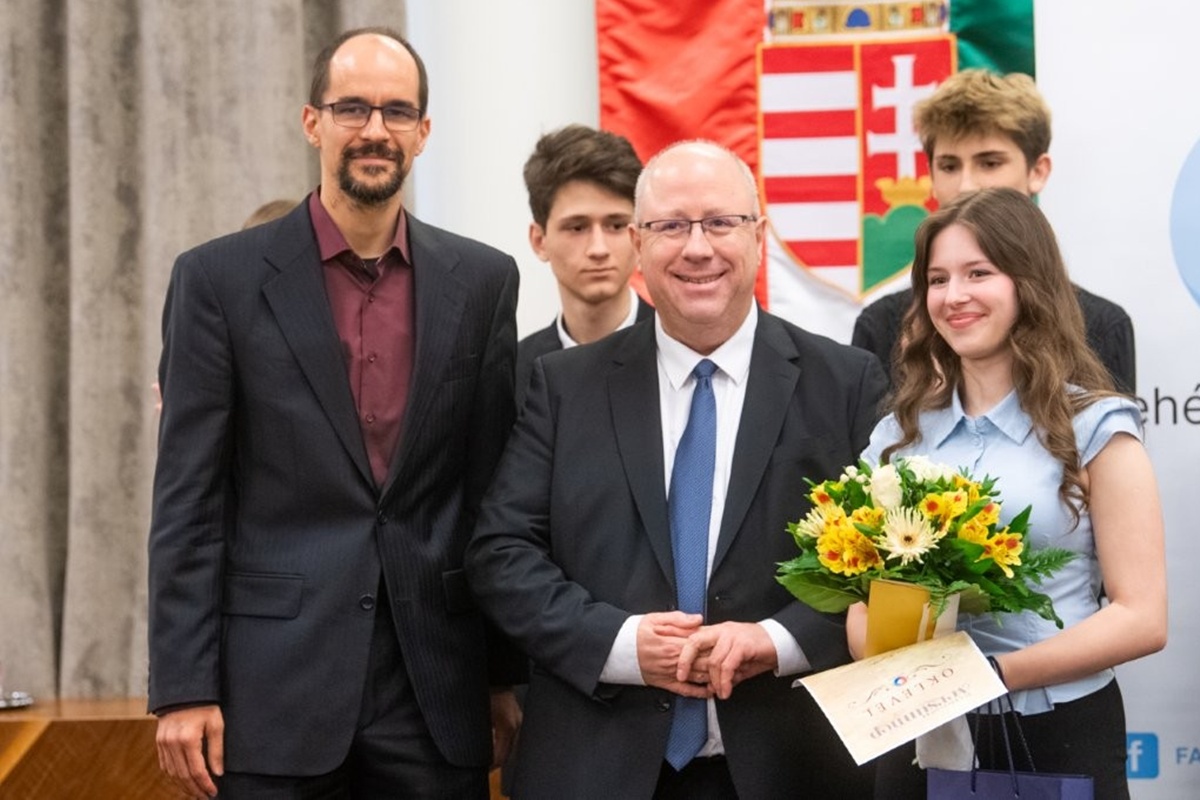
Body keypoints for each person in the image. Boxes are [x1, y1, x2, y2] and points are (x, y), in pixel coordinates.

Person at [147, 27, 522, 798]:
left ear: (423, 131)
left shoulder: (484, 282)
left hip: (434, 688)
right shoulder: (216, 280)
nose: (375, 129)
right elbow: (189, 500)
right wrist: (183, 686)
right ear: (312, 122)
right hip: (272, 690)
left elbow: (488, 494)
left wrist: (500, 675)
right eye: (352, 108)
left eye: (396, 111)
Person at [466, 140, 886, 799]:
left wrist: (778, 640)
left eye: (720, 222)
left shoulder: (847, 383)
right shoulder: (565, 386)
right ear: (639, 243)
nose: (697, 248)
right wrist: (620, 643)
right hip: (596, 766)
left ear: (759, 235)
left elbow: (888, 567)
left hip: (791, 763)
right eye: (670, 226)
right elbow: (501, 553)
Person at [853, 187, 1167, 798]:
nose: (954, 296)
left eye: (979, 273)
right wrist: (897, 669)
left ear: (1029, 283)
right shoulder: (896, 437)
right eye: (938, 279)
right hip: (919, 732)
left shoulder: (1098, 428)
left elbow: (1142, 618)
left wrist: (990, 674)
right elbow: (861, 597)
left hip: (1058, 732)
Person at [851, 69, 1136, 394]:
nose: (966, 185)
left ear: (1038, 171)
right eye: (949, 166)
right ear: (930, 175)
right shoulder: (881, 326)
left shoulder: (1101, 325)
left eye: (989, 163)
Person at [516, 123, 652, 408]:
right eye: (577, 227)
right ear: (539, 241)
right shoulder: (513, 374)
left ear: (639, 237)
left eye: (616, 225)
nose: (598, 249)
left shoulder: (683, 353)